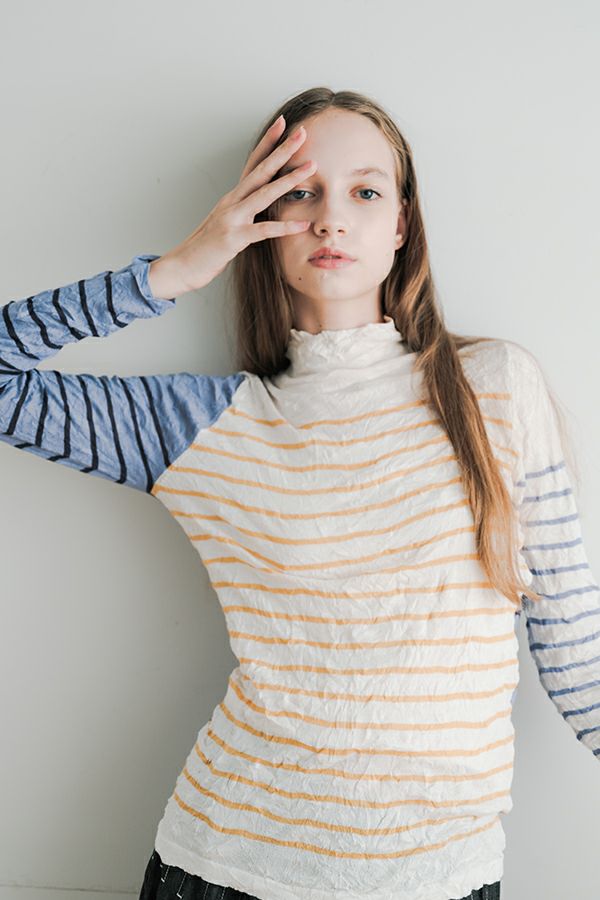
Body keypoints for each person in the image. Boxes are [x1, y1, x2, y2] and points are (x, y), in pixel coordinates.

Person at [1, 85, 597, 900]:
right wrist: (174, 271)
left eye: (364, 192)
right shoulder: (202, 426)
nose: (330, 219)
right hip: (228, 868)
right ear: (260, 218)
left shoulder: (493, 386)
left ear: (401, 224)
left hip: (445, 876)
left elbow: (577, 647)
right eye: (299, 192)